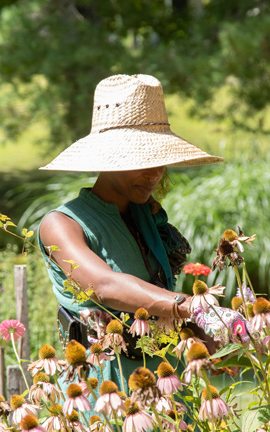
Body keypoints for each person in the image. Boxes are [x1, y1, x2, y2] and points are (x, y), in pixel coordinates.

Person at [37, 74, 223, 390]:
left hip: (167, 378)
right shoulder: (62, 224)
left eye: (160, 160)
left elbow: (156, 291)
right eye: (141, 161)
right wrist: (191, 304)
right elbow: (103, 285)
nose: (154, 173)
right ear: (108, 158)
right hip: (106, 386)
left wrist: (203, 339)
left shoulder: (147, 215)